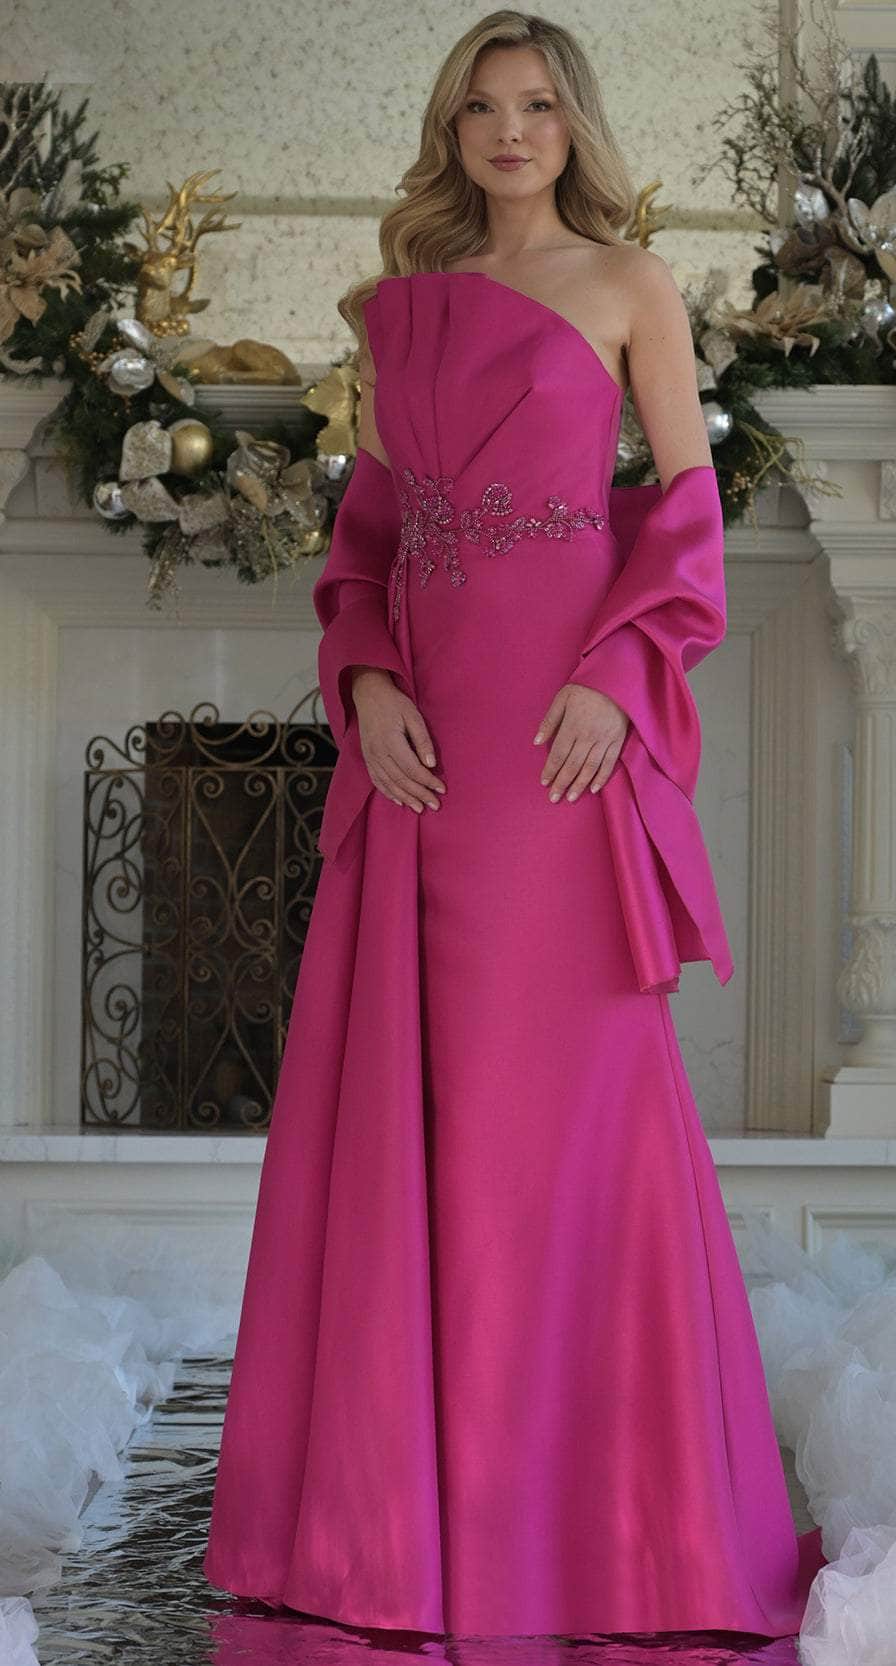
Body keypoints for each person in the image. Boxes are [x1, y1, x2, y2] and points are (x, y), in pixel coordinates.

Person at [203, 7, 827, 1640]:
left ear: (573, 124)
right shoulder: (400, 306)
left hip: (561, 738)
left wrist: (620, 675)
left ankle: (616, 1535)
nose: (509, 130)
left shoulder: (629, 286)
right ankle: (418, 1533)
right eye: (482, 105)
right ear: (452, 130)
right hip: (430, 747)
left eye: (538, 103)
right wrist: (365, 682)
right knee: (427, 1106)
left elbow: (686, 512)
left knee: (572, 1102)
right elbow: (367, 534)